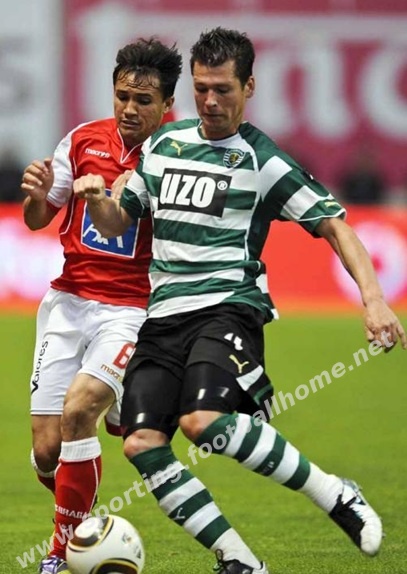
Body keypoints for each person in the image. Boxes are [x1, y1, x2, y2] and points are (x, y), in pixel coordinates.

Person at [73, 27, 407, 574]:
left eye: (223, 89)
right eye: (202, 88)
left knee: (203, 421)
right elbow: (117, 221)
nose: (210, 101)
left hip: (227, 305)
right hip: (162, 316)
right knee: (141, 444)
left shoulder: (261, 159)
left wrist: (373, 301)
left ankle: (335, 493)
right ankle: (240, 560)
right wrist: (96, 200)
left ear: (249, 87)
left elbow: (336, 225)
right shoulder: (162, 145)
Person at [21, 38, 182, 574]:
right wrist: (37, 194)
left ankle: (60, 553)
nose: (129, 109)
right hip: (68, 302)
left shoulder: (179, 155)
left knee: (78, 412)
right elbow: (38, 219)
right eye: (122, 97)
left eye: (143, 100)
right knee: (48, 452)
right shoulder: (82, 140)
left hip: (132, 308)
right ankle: (82, 506)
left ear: (167, 104)